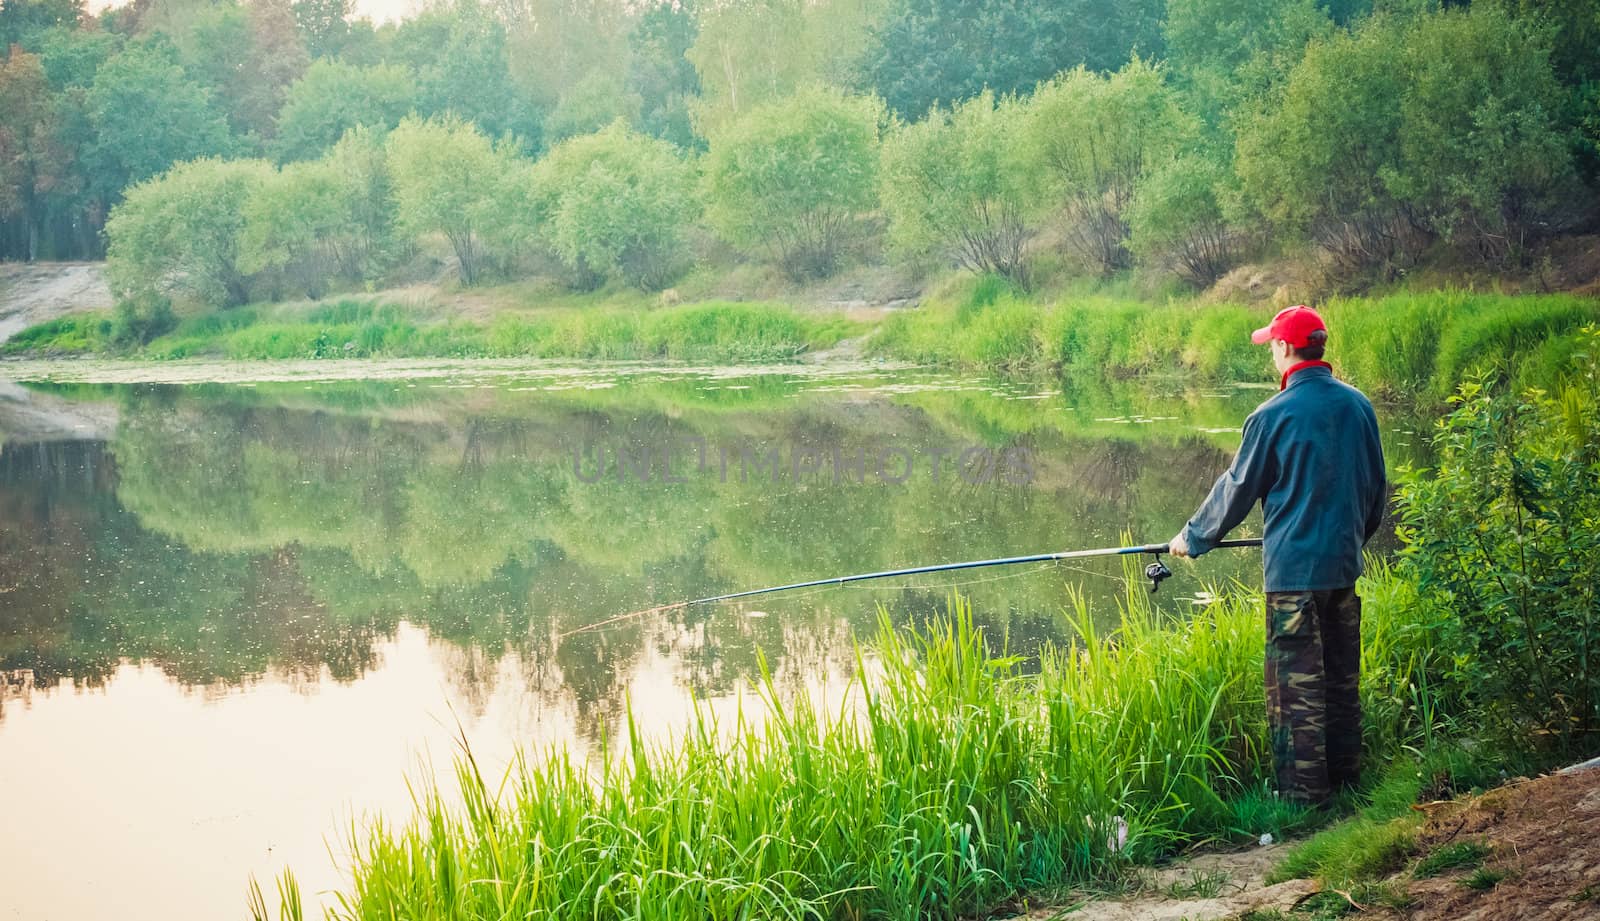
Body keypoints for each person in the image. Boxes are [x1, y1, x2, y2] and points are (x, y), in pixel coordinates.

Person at [1168, 305, 1387, 806]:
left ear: (1286, 349)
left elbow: (1238, 488)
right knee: (1338, 682)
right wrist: (1352, 541)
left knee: (1295, 692)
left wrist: (1193, 537)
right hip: (1343, 570)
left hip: (1292, 579)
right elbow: (1376, 491)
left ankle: (1303, 800)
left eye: (1272, 344)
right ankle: (1348, 782)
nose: (1271, 350)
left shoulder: (1271, 416)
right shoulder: (1359, 407)